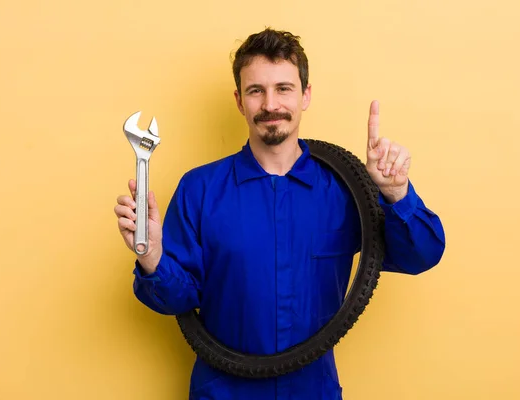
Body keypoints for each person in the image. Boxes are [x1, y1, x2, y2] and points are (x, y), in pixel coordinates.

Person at [114, 28, 445, 400]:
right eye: (257, 91)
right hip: (222, 391)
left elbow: (421, 256)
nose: (271, 104)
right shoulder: (199, 189)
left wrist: (395, 194)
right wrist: (153, 258)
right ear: (240, 101)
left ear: (305, 95)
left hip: (313, 390)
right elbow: (177, 299)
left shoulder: (346, 189)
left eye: (284, 88)